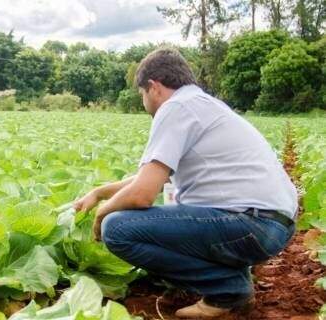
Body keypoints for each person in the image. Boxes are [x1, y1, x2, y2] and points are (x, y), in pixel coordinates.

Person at [74, 48, 297, 318]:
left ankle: (229, 288)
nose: (144, 101)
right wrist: (99, 192)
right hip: (271, 224)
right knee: (139, 217)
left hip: (251, 224)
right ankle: (230, 278)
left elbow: (142, 194)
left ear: (153, 87)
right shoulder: (199, 104)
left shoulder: (175, 108)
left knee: (117, 228)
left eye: (141, 94)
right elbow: (148, 179)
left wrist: (102, 212)